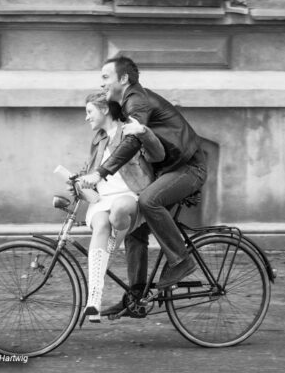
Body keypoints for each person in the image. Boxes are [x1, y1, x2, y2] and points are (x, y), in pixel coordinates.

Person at [79, 56, 207, 317]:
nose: (102, 83)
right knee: (137, 227)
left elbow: (133, 141)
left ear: (123, 79)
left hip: (189, 167)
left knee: (149, 200)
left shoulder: (136, 100)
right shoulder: (129, 102)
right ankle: (136, 297)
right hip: (170, 168)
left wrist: (102, 172)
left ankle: (181, 260)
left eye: (106, 77)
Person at [79, 93, 165, 323]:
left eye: (90, 112)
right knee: (100, 225)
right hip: (102, 200)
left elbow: (158, 154)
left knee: (118, 210)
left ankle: (111, 246)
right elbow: (91, 171)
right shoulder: (98, 140)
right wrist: (79, 181)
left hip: (130, 196)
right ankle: (94, 301)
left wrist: (143, 132)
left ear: (105, 109)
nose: (86, 118)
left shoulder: (129, 130)